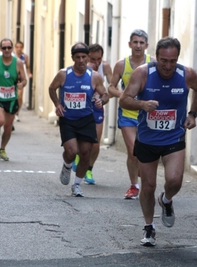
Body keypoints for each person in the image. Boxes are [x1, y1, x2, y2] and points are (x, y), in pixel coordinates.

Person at [119, 37, 197, 246]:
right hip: (147, 139)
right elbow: (124, 99)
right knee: (148, 186)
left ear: (177, 59)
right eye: (163, 61)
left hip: (173, 137)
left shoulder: (187, 74)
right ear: (156, 57)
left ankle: (166, 200)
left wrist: (192, 114)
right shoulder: (143, 73)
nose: (167, 66)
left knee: (174, 181)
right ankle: (149, 228)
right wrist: (142, 104)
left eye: (172, 61)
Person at [48, 42, 109, 197]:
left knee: (86, 153)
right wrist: (57, 103)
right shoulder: (64, 74)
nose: (81, 60)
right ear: (73, 58)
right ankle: (67, 166)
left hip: (86, 119)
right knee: (71, 151)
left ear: (87, 57)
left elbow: (105, 94)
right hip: (68, 119)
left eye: (84, 57)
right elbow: (51, 88)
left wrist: (101, 101)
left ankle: (76, 185)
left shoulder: (94, 76)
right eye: (78, 57)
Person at [108, 29, 155, 199]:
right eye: (135, 42)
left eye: (141, 42)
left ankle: (145, 178)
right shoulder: (122, 64)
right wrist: (123, 95)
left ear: (147, 46)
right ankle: (134, 186)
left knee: (146, 152)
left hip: (147, 113)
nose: (138, 45)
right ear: (129, 44)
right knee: (133, 150)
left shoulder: (153, 63)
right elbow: (111, 86)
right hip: (128, 112)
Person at [72, 43, 113, 185]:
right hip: (81, 107)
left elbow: (111, 88)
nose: (96, 62)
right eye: (93, 59)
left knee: (95, 143)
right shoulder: (81, 68)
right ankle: (78, 157)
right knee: (80, 140)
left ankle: (89, 168)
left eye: (99, 59)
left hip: (96, 108)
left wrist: (103, 100)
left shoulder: (105, 67)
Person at [14, 41, 32, 122]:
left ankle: (17, 113)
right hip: (12, 78)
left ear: (23, 47)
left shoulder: (25, 57)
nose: (19, 49)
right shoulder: (12, 56)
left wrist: (29, 73)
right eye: (17, 47)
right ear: (15, 47)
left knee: (19, 97)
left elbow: (28, 66)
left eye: (20, 47)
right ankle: (11, 112)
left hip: (20, 79)